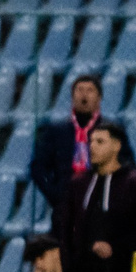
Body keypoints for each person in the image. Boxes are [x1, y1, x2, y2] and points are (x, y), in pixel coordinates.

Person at [55, 118, 136, 272]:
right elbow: (66, 228)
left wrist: (117, 249)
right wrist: (69, 269)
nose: (92, 146)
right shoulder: (79, 184)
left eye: (100, 142)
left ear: (116, 146)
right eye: (91, 141)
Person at [30, 75, 107, 214]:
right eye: (79, 90)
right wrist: (55, 195)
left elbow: (127, 167)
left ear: (99, 98)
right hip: (66, 205)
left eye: (90, 90)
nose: (84, 95)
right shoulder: (57, 131)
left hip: (99, 206)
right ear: (72, 97)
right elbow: (38, 167)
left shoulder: (110, 131)